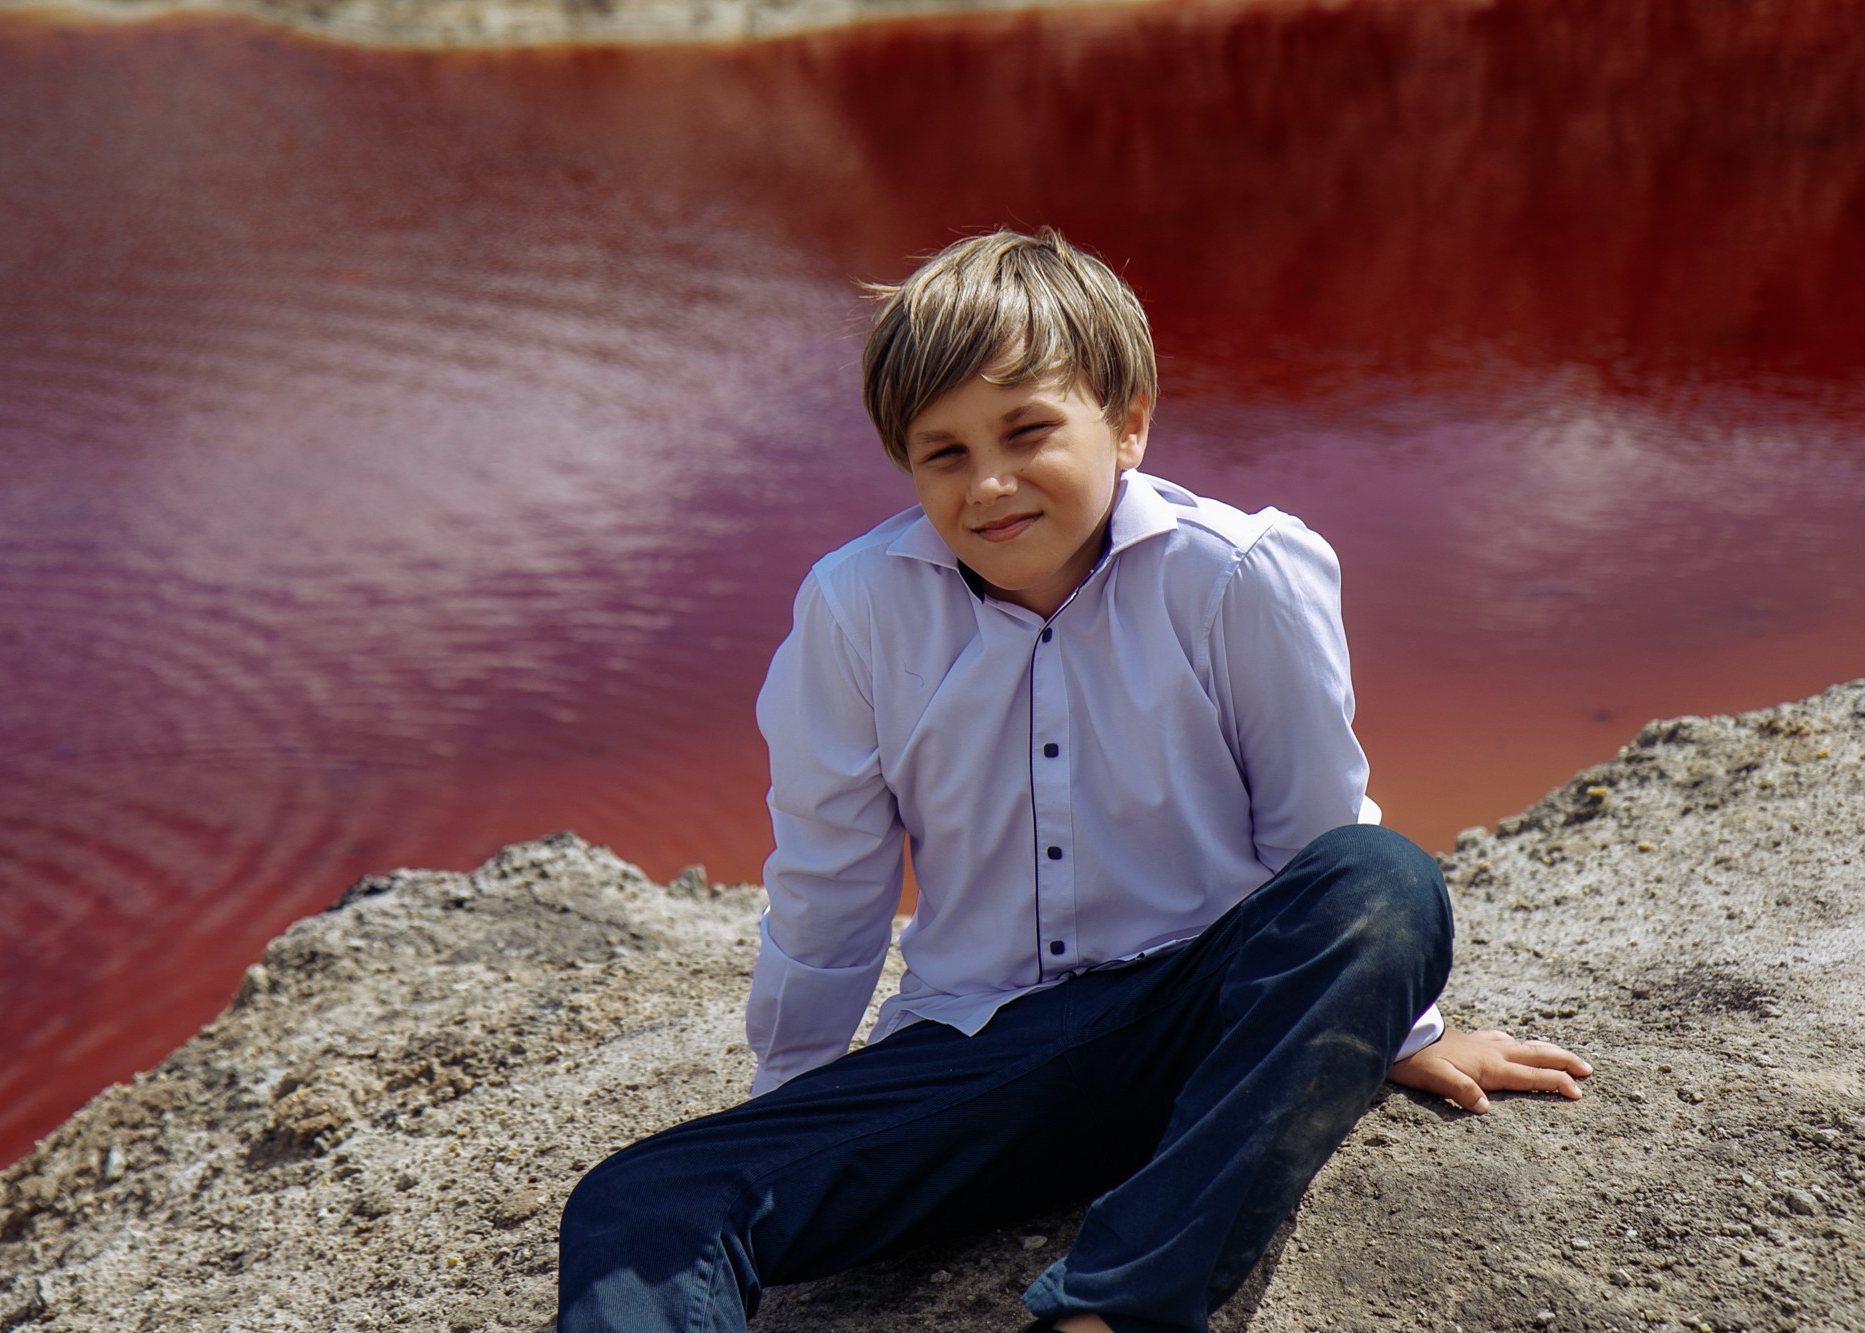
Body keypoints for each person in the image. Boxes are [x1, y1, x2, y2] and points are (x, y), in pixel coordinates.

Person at [557, 227, 1590, 1333]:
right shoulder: (854, 610)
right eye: (940, 452)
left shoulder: (1235, 574)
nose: (988, 483)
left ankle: (1108, 1313)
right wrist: (801, 1115)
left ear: (1128, 420)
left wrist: (1401, 1029)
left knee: (1381, 877)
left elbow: (1316, 839)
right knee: (643, 1197)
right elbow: (827, 883)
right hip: (980, 1055)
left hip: (1203, 1029)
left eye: (1027, 429)